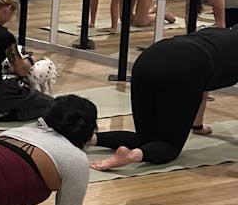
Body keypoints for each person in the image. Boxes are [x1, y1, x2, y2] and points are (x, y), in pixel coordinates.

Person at [91, 27, 238, 170]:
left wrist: (197, 127)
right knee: (169, 146)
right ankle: (130, 156)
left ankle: (88, 138)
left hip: (150, 56)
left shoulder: (219, 32)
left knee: (146, 139)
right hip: (184, 68)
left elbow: (204, 86)